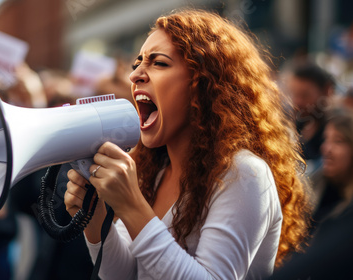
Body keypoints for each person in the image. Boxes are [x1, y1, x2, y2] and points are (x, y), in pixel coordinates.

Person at [64, 10, 310, 279]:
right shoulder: (154, 171)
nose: (135, 76)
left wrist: (132, 206)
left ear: (202, 83)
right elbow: (125, 274)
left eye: (158, 63)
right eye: (138, 63)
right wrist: (96, 221)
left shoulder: (244, 173)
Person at [269, 108, 353, 279]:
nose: (326, 149)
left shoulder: (347, 215)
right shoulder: (312, 184)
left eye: (338, 141)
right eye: (326, 140)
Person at [286, 63, 334, 172]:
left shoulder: (335, 130)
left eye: (305, 95)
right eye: (294, 94)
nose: (297, 102)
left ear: (326, 91)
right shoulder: (298, 124)